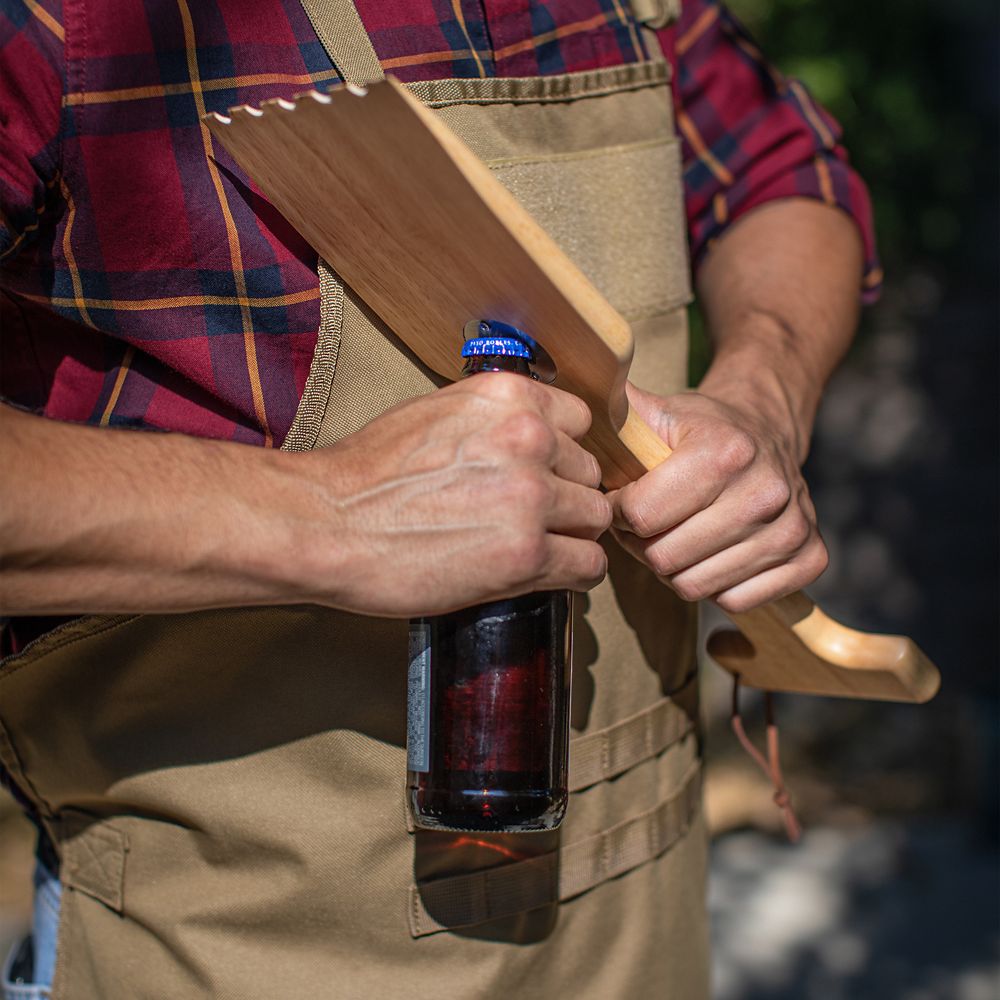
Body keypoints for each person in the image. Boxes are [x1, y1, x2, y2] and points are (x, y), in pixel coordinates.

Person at [0, 0, 875, 997]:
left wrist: (761, 395)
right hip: (234, 949)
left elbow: (775, 163)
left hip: (642, 942)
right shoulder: (66, 21)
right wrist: (327, 516)